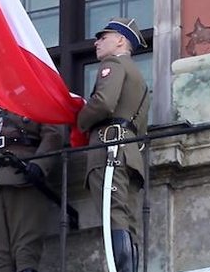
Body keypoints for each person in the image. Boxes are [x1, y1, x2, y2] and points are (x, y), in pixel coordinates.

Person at [77, 17, 150, 272]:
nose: (97, 42)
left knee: (113, 218)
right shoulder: (139, 78)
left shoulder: (113, 63)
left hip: (110, 151)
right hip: (129, 153)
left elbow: (104, 103)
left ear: (120, 40)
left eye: (103, 37)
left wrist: (80, 120)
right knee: (128, 221)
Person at [0, 103, 63, 272]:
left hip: (23, 176)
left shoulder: (34, 96)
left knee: (26, 252)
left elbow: (53, 134)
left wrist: (40, 164)